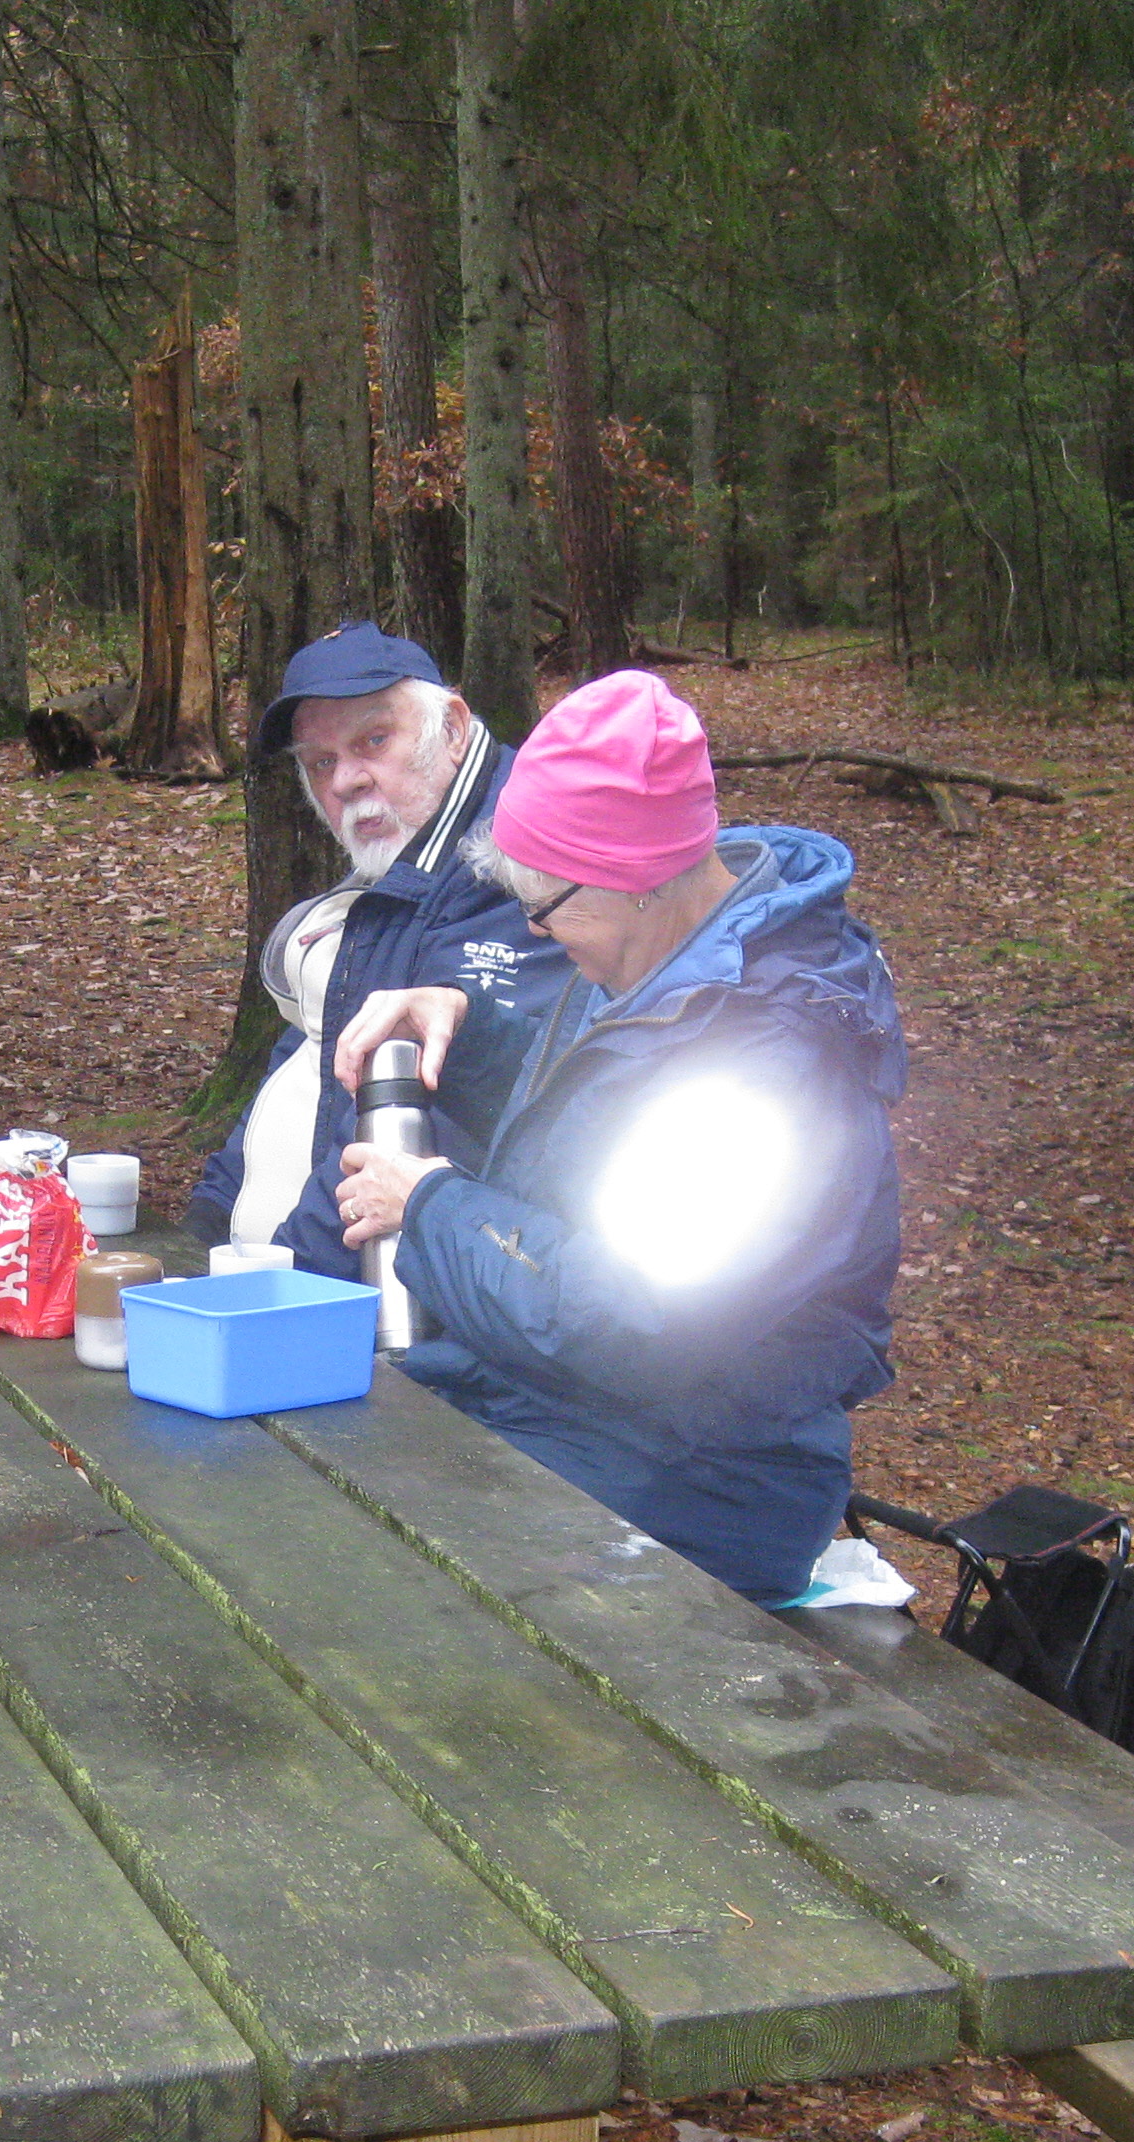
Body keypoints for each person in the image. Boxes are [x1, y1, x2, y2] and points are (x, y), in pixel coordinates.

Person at [328, 669, 907, 1609]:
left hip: (693, 1477)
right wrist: (467, 1034)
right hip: (562, 1411)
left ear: (635, 879)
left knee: (364, 1576)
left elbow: (637, 1318)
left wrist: (430, 1206)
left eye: (547, 905)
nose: (535, 929)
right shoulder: (671, 958)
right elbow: (607, 1125)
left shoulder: (774, 1070)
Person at [186, 622, 567, 1271]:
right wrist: (208, 1218)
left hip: (391, 1290)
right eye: (320, 761)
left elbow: (420, 1116)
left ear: (452, 729)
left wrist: (285, 1282)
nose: (345, 781)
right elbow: (313, 1045)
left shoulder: (509, 862)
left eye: (374, 740)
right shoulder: (406, 848)